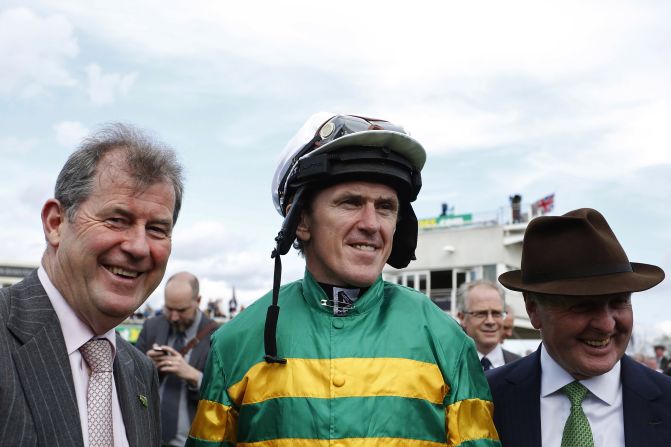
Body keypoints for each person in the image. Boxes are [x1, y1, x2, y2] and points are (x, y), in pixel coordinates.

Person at [187, 113, 501, 446]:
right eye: (350, 202)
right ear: (302, 220)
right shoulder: (236, 341)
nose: (371, 223)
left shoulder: (446, 338)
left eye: (385, 207)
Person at [0, 123, 183, 446]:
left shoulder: (140, 371)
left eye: (156, 228)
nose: (139, 247)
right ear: (56, 223)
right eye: (116, 219)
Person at [487, 208, 671, 446]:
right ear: (534, 310)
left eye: (619, 302)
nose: (606, 325)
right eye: (583, 306)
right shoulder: (485, 400)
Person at [136, 272, 218, 446]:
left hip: (192, 439)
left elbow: (223, 394)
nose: (173, 316)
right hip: (147, 435)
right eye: (169, 308)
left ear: (198, 301)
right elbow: (129, 379)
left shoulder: (216, 336)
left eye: (181, 310)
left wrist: (194, 376)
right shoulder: (151, 326)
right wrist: (146, 364)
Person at [457, 281, 520, 370]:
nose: (490, 321)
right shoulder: (447, 367)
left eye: (496, 313)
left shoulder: (522, 367)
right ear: (462, 317)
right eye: (481, 313)